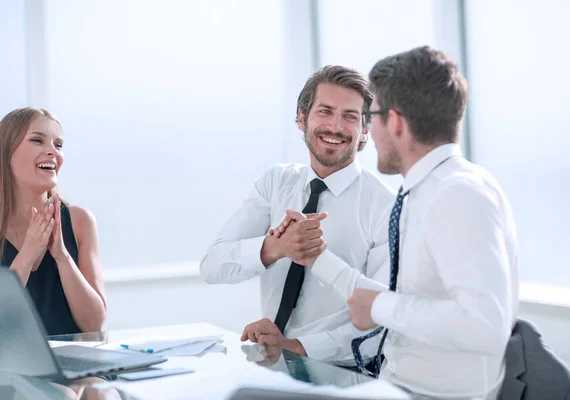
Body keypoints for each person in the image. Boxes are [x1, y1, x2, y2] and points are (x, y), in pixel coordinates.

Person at [282, 47, 519, 399]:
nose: (366, 132)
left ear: (394, 122)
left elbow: (484, 325)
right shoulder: (427, 190)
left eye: (369, 116)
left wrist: (381, 308)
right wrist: (315, 257)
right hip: (397, 387)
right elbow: (414, 302)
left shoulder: (457, 194)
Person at [199, 65, 396, 366]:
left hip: (346, 376)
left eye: (350, 116)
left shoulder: (386, 205)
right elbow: (212, 266)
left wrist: (294, 346)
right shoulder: (276, 183)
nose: (336, 127)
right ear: (302, 119)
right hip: (271, 367)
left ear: (365, 130)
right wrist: (276, 247)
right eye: (325, 111)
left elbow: (385, 318)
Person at [0, 107, 107, 335]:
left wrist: (62, 255)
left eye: (58, 145)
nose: (52, 152)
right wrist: (28, 252)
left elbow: (95, 326)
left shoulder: (80, 221)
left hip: (78, 365)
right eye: (38, 140)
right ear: (6, 152)